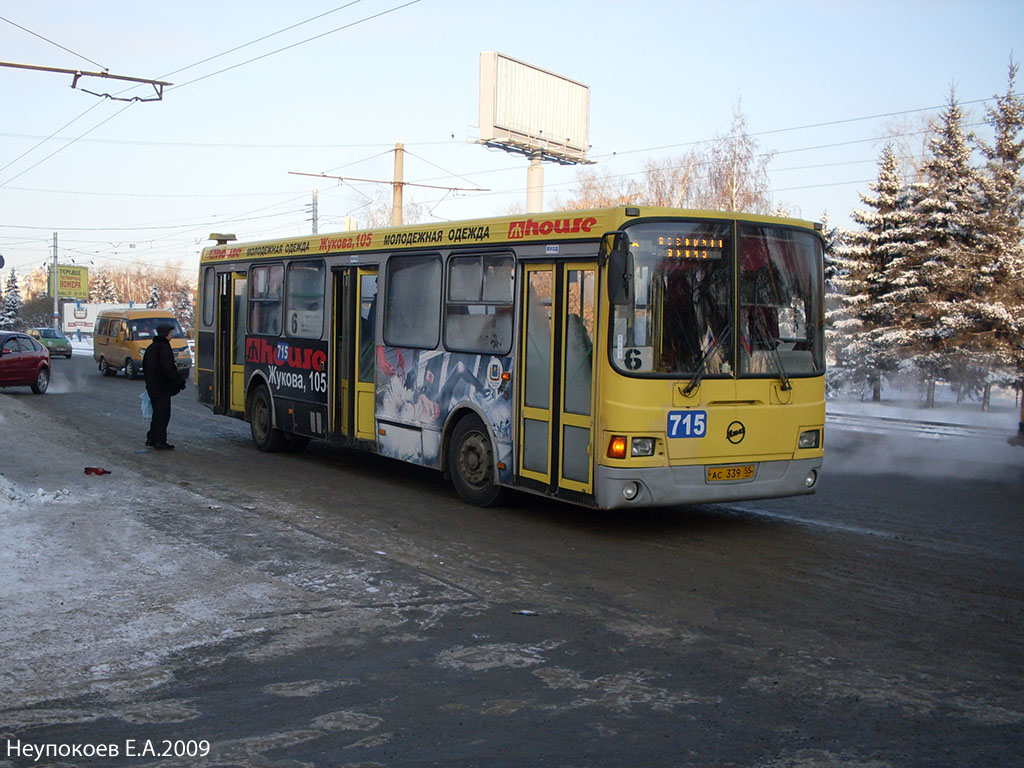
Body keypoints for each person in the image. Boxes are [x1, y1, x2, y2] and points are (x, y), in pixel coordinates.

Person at [143, 322, 186, 450]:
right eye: (170, 333)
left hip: (152, 386)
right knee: (163, 414)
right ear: (166, 334)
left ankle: (152, 437)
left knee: (157, 413)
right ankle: (159, 441)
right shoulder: (164, 348)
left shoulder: (152, 347)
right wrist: (179, 381)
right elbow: (169, 368)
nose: (171, 335)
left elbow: (145, 366)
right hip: (162, 387)